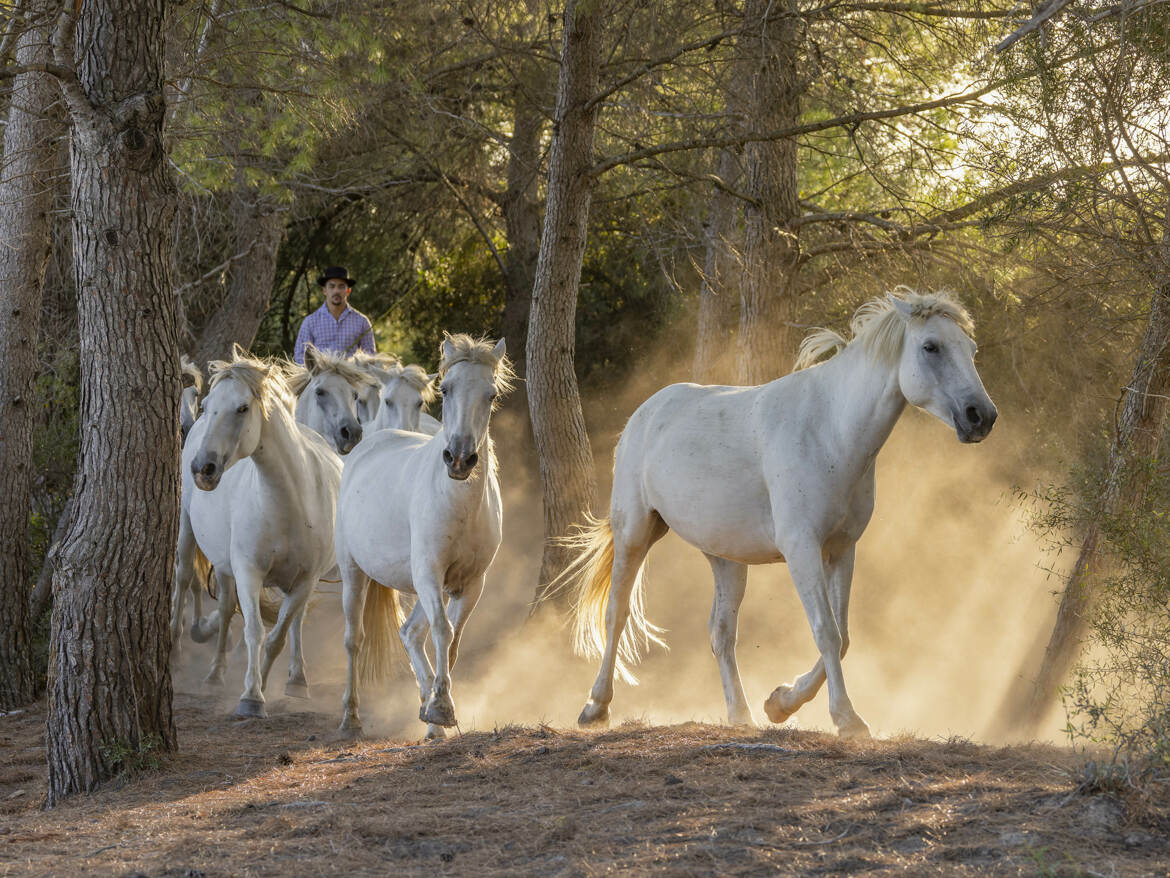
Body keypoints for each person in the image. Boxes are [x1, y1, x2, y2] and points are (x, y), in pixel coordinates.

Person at [293, 265, 377, 364]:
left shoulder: (362, 322)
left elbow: (370, 359)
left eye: (341, 286)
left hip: (352, 378)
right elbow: (300, 358)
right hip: (321, 378)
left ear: (348, 291)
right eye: (332, 286)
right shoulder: (310, 322)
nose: (336, 291)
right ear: (324, 290)